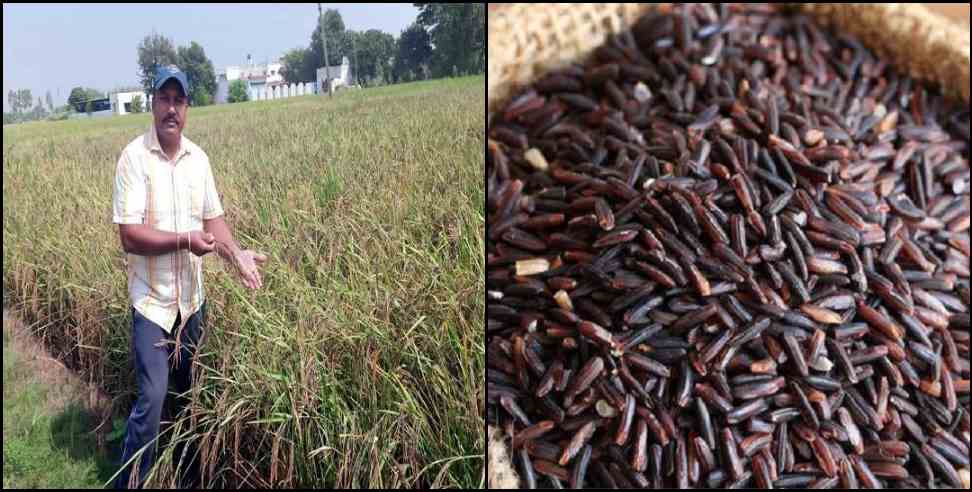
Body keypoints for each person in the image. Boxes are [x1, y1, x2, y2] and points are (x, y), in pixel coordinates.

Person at [111, 65, 267, 488]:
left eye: (179, 100)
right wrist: (184, 240)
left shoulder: (199, 160)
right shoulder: (134, 158)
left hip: (192, 304)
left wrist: (238, 257)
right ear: (153, 103)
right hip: (153, 305)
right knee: (153, 398)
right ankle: (129, 481)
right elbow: (129, 235)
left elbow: (214, 221)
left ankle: (189, 480)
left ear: (188, 107)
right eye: (164, 98)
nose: (172, 109)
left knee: (187, 401)